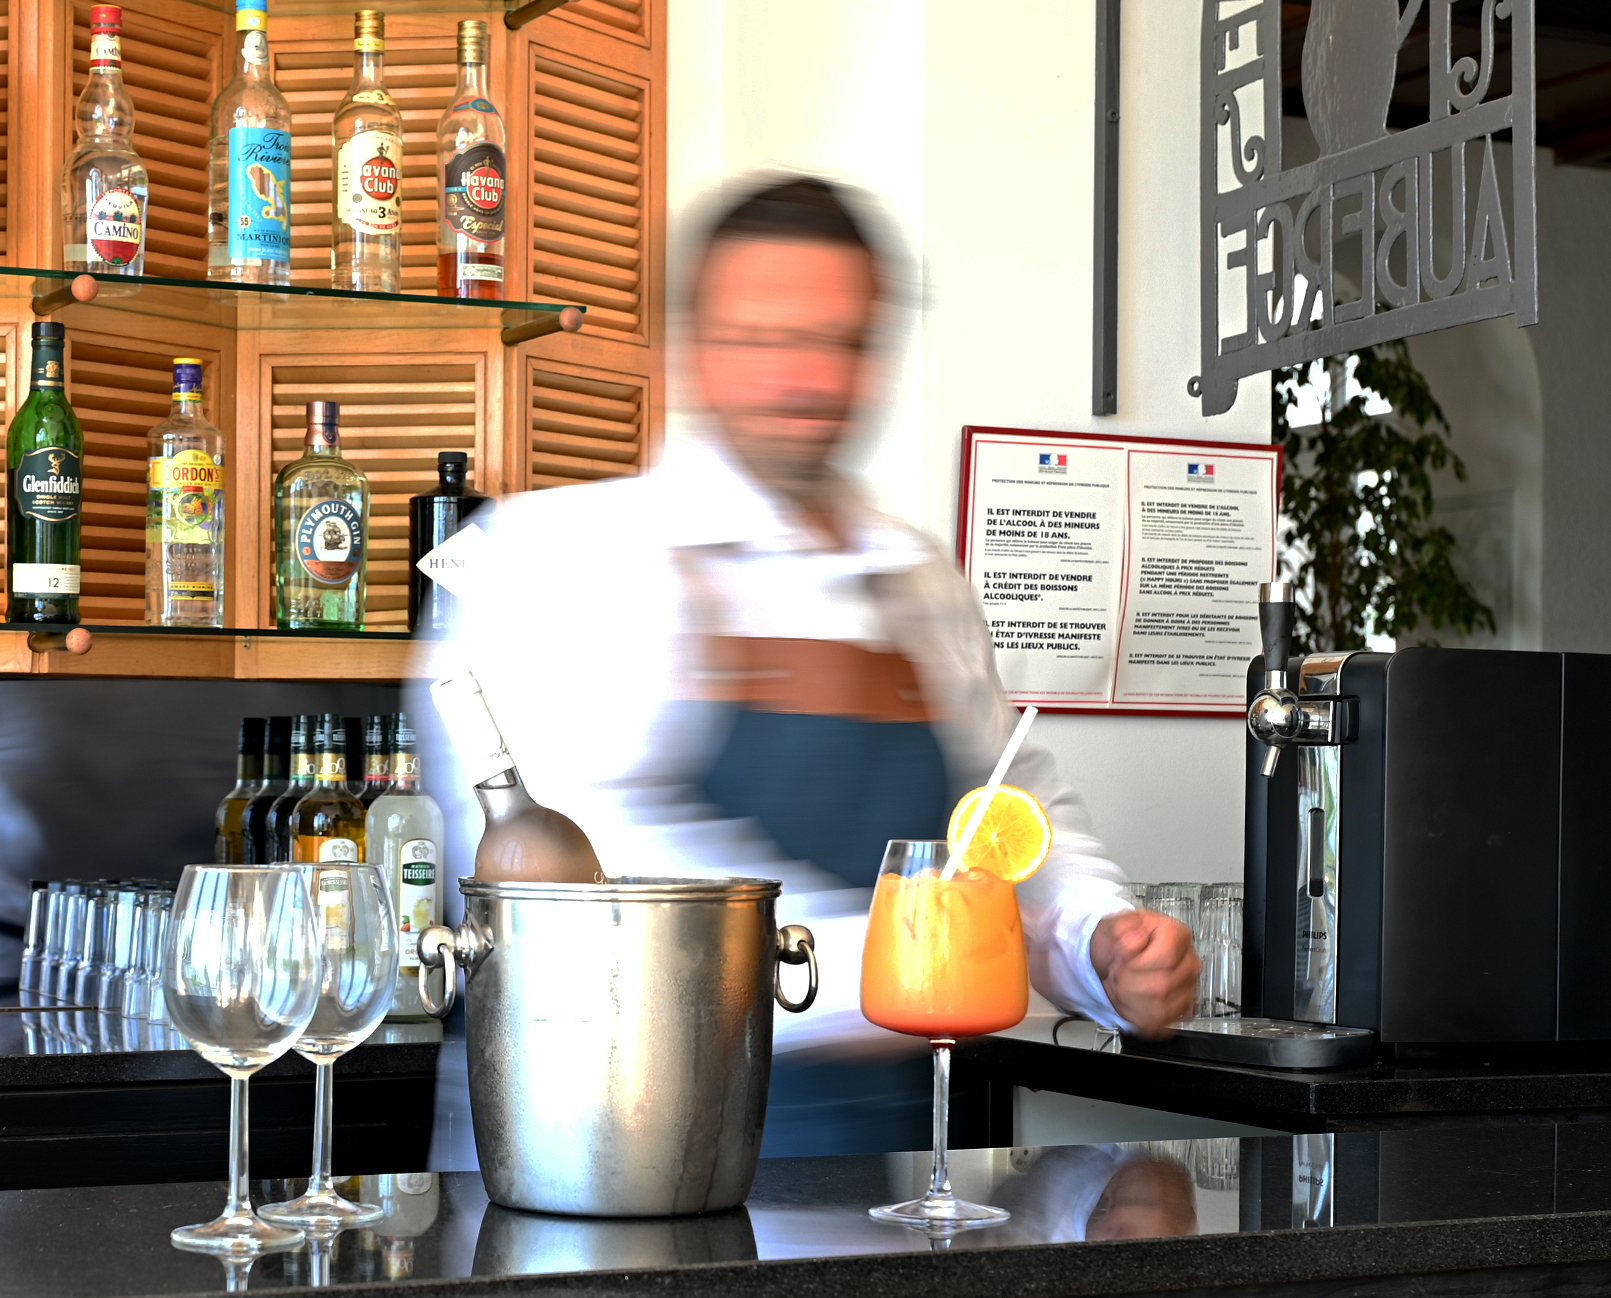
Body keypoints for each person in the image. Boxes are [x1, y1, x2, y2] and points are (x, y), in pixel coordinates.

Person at [431, 175, 1198, 1157]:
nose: (808, 380)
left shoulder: (915, 579)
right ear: (693, 350)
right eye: (765, 341)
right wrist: (912, 954)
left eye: (838, 342)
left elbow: (1009, 816)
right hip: (613, 1159)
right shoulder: (552, 560)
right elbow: (593, 896)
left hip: (900, 1168)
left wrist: (1101, 942)